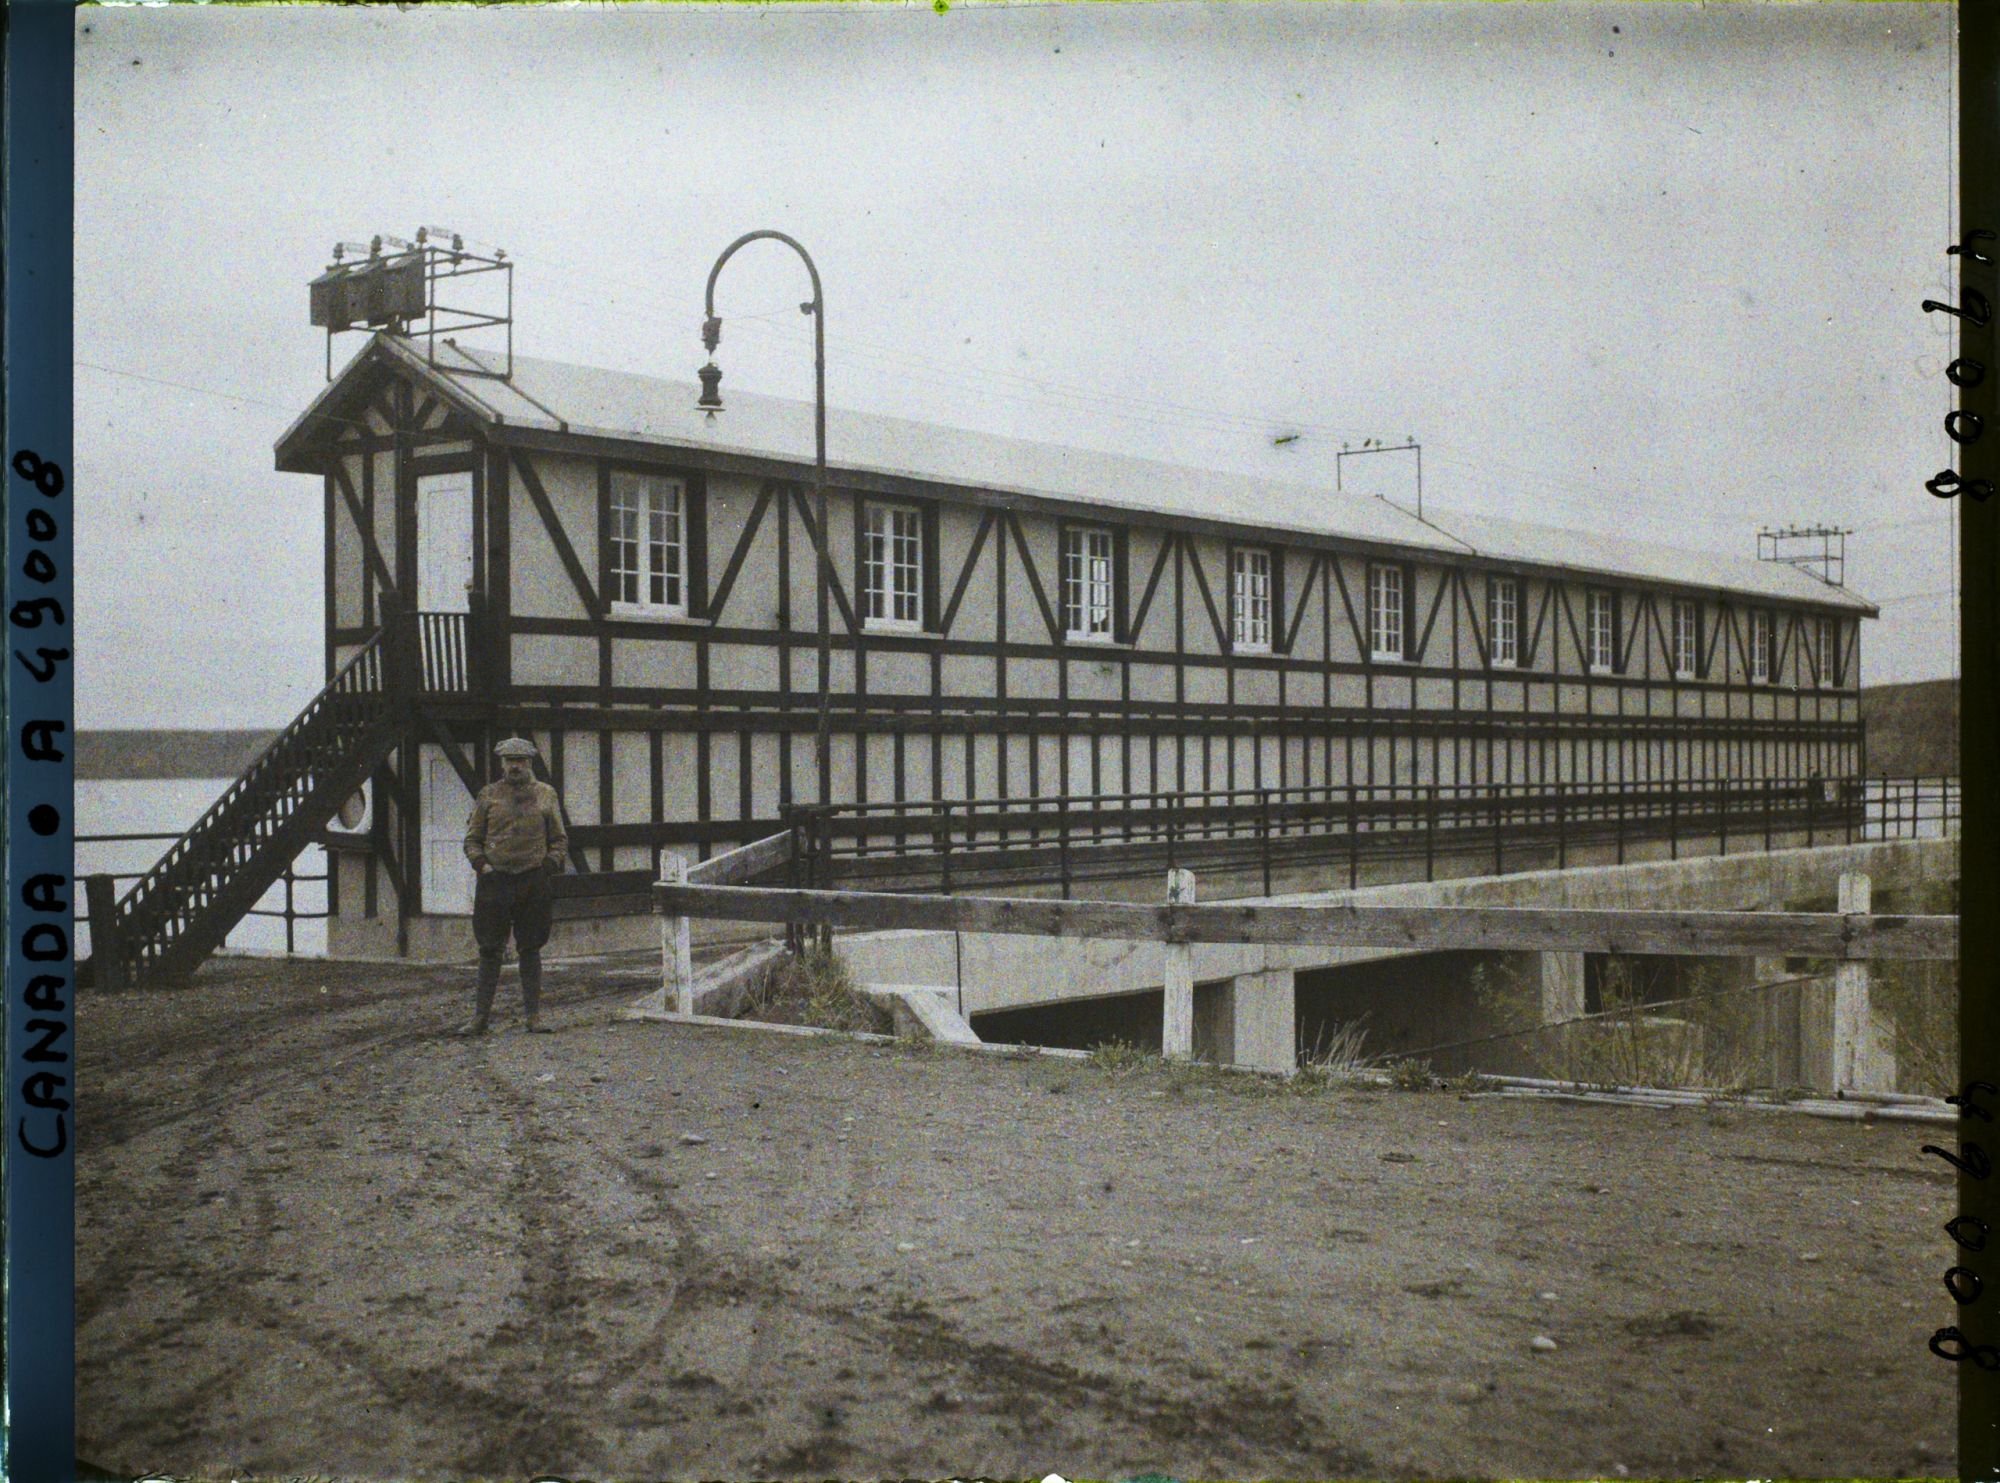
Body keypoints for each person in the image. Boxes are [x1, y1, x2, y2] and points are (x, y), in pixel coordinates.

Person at [458, 736, 568, 1035]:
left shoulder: (546, 795)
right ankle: (480, 1019)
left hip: (533, 882)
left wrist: (547, 866)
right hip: (495, 883)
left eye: (521, 760)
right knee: (490, 949)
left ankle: (534, 1018)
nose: (515, 766)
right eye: (510, 761)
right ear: (502, 764)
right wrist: (484, 866)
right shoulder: (488, 795)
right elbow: (472, 840)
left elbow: (559, 839)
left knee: (530, 948)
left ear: (530, 763)